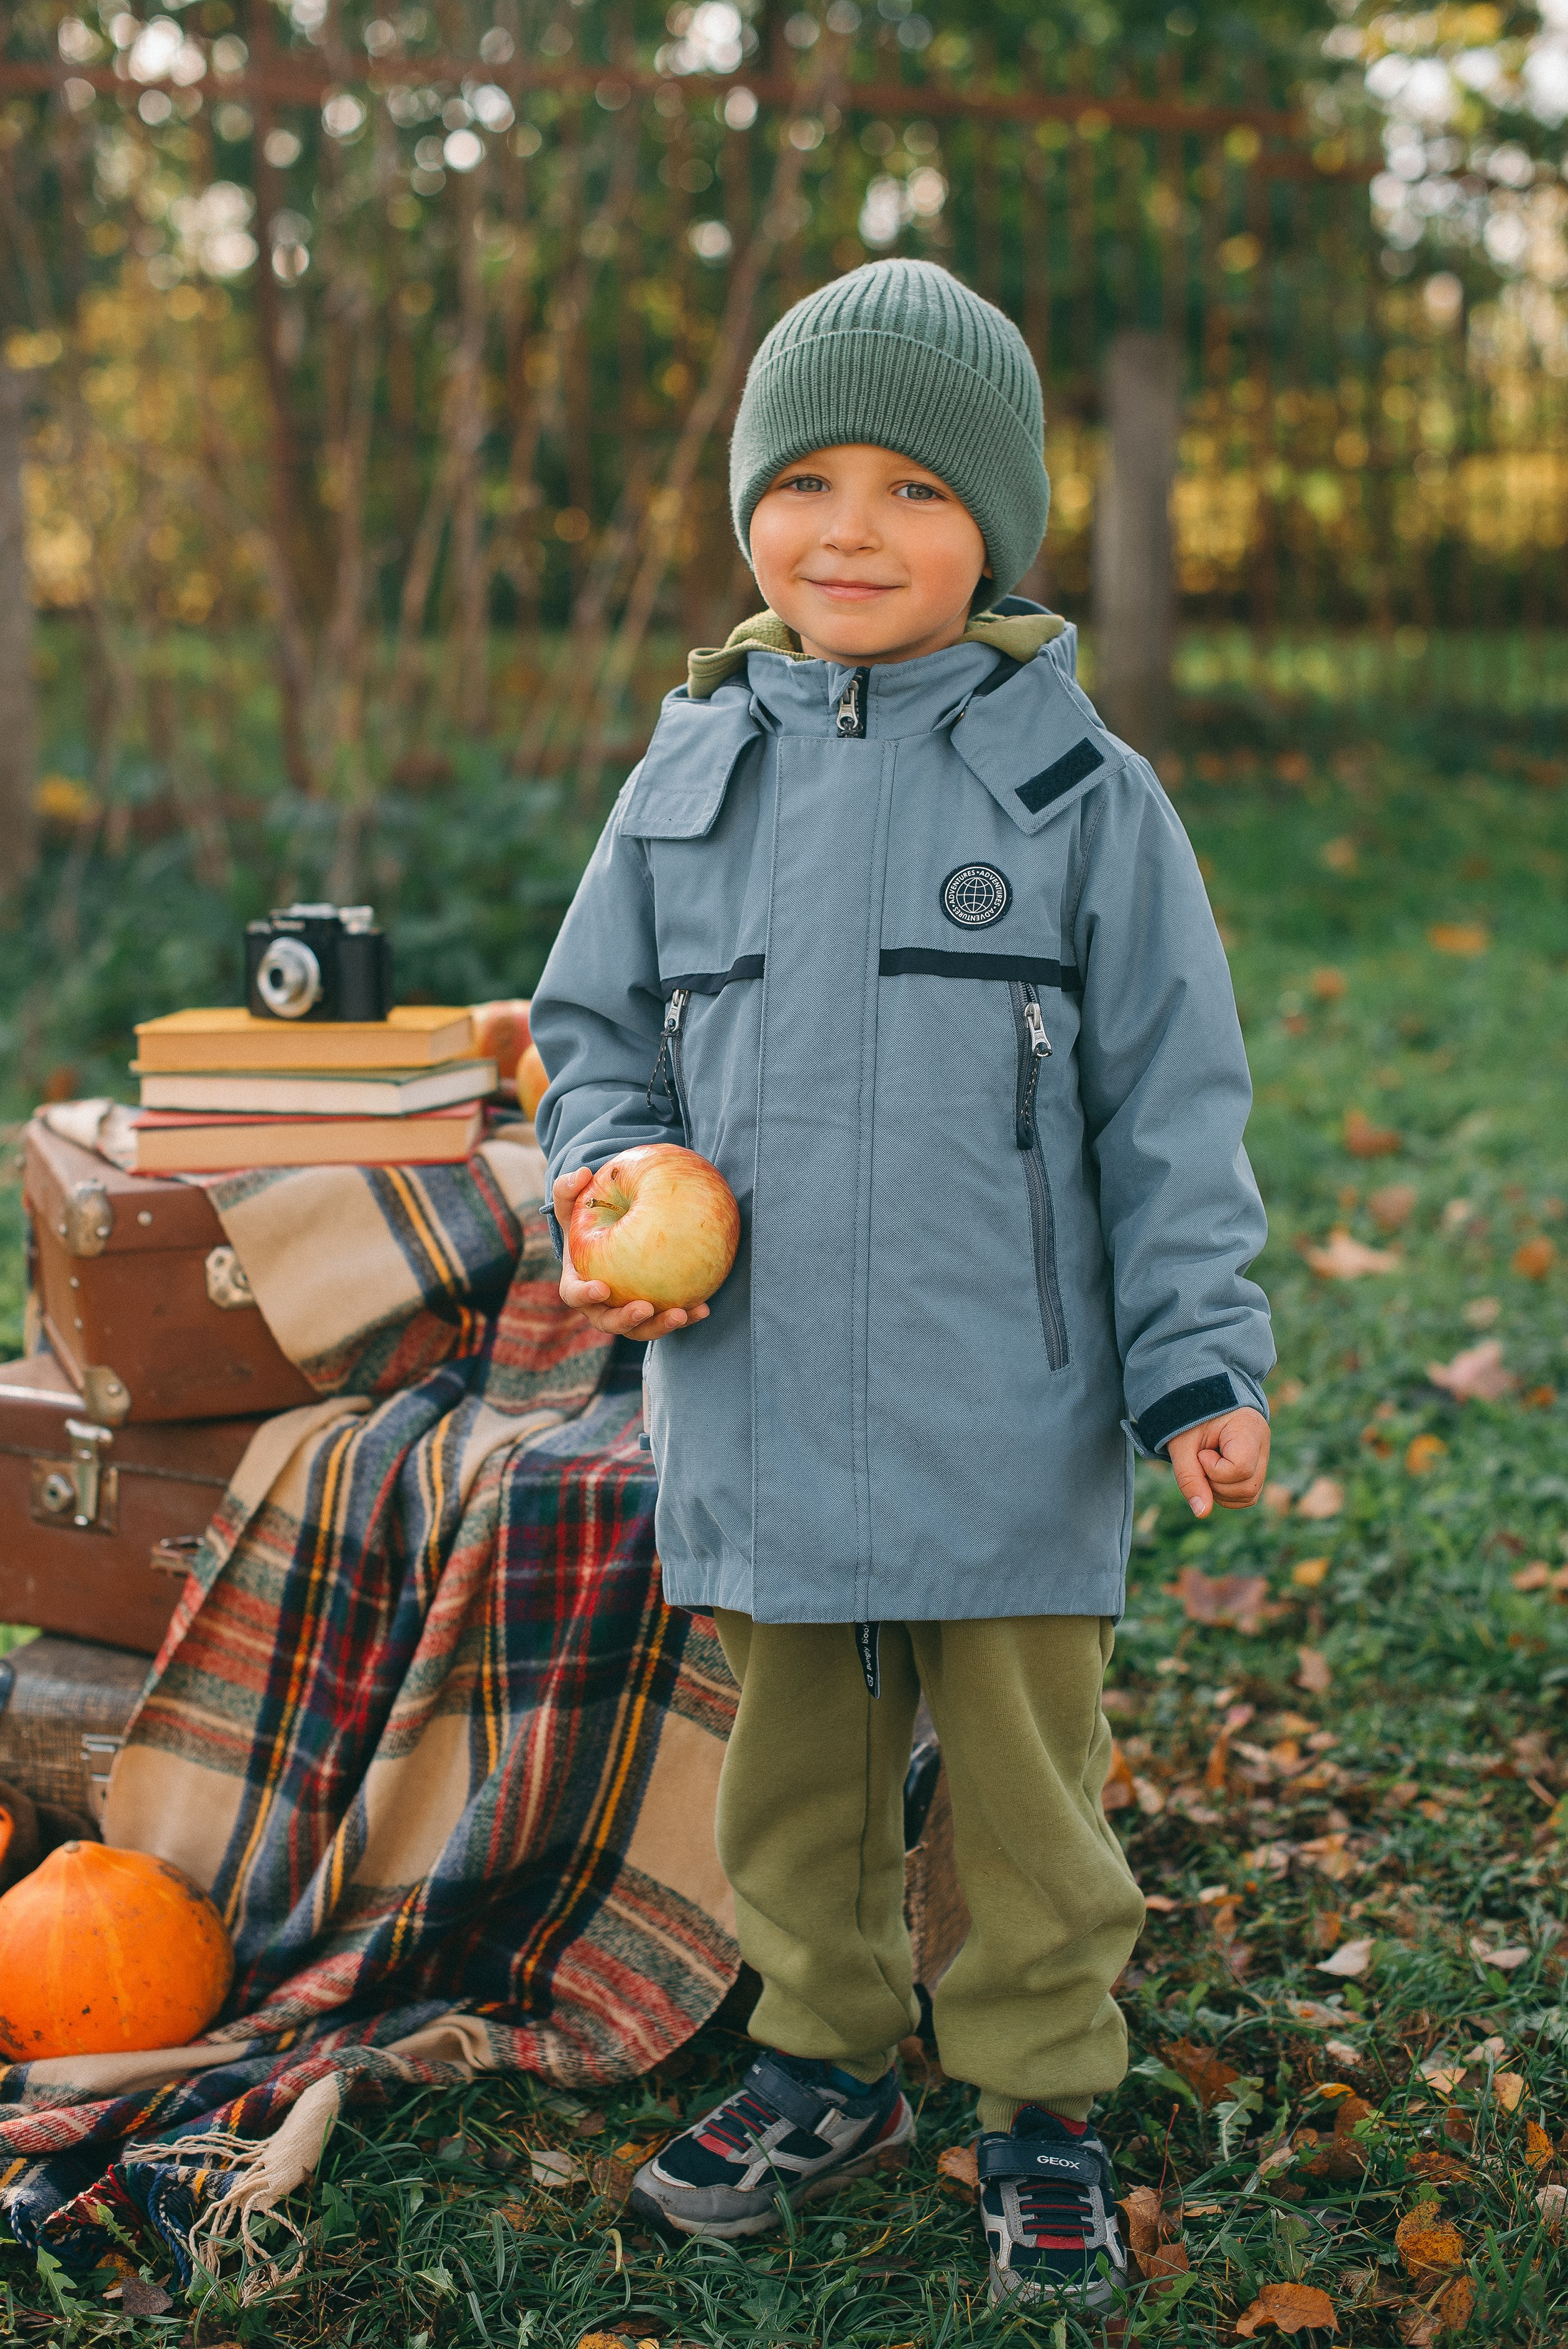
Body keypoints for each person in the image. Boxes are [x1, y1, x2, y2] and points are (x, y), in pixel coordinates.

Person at [530, 257, 1273, 2310]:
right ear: (752, 505)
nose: (849, 529)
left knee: (1026, 1777)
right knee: (794, 1762)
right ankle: (819, 2051)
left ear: (996, 528)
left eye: (912, 490)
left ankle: (1039, 2080)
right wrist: (607, 1172)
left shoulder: (1071, 791)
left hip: (1007, 1392)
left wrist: (1200, 1355)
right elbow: (588, 1038)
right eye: (811, 481)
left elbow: (1172, 1104)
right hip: (761, 1385)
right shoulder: (689, 778)